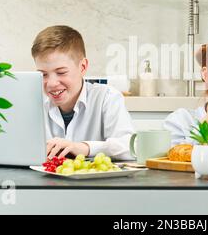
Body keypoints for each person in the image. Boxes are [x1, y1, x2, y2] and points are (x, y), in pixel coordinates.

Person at [31, 25, 134, 160]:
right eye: (43, 74)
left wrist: (84, 148)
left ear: (83, 67)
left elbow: (130, 146)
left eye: (61, 72)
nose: (51, 83)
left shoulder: (107, 97)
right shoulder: (33, 102)